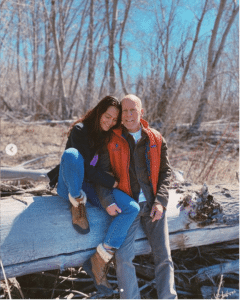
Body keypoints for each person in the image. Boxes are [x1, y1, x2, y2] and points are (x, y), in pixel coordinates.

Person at [47, 96, 140, 296]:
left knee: (132, 208)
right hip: (70, 185)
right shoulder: (80, 130)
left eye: (114, 119)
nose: (110, 122)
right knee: (72, 155)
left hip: (91, 188)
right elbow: (86, 170)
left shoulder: (107, 137)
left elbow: (99, 173)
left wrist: (108, 197)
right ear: (99, 112)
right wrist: (111, 181)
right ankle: (77, 205)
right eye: (108, 116)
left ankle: (99, 260)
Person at [94, 94, 178, 300]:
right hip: (127, 207)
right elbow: (101, 175)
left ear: (141, 112)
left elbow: (166, 173)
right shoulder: (111, 140)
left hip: (152, 205)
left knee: (164, 256)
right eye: (125, 111)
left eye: (133, 110)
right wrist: (108, 201)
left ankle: (169, 297)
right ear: (120, 115)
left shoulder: (156, 139)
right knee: (122, 258)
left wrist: (161, 201)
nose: (129, 115)